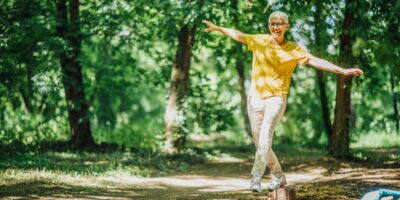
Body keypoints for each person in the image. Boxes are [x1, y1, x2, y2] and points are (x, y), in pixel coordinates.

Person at [202, 11, 363, 192]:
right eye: (273, 23)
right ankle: (278, 175)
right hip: (254, 98)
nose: (276, 27)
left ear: (286, 26)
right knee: (260, 143)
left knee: (265, 136)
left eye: (280, 24)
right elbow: (239, 35)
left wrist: (342, 71)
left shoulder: (293, 49)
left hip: (276, 99)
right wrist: (218, 29)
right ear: (269, 26)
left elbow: (315, 60)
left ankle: (255, 177)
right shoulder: (259, 40)